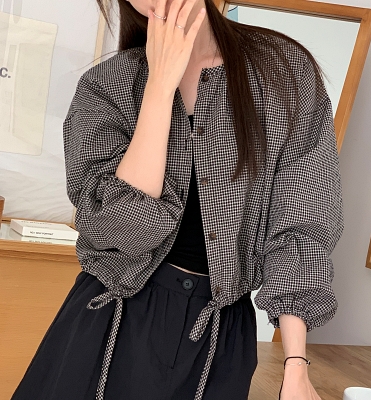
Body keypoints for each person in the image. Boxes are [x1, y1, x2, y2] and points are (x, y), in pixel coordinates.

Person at [11, 0, 344, 398]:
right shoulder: (108, 84)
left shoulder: (282, 71)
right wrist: (159, 85)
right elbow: (120, 229)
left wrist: (296, 364)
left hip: (218, 338)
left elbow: (303, 221)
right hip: (111, 321)